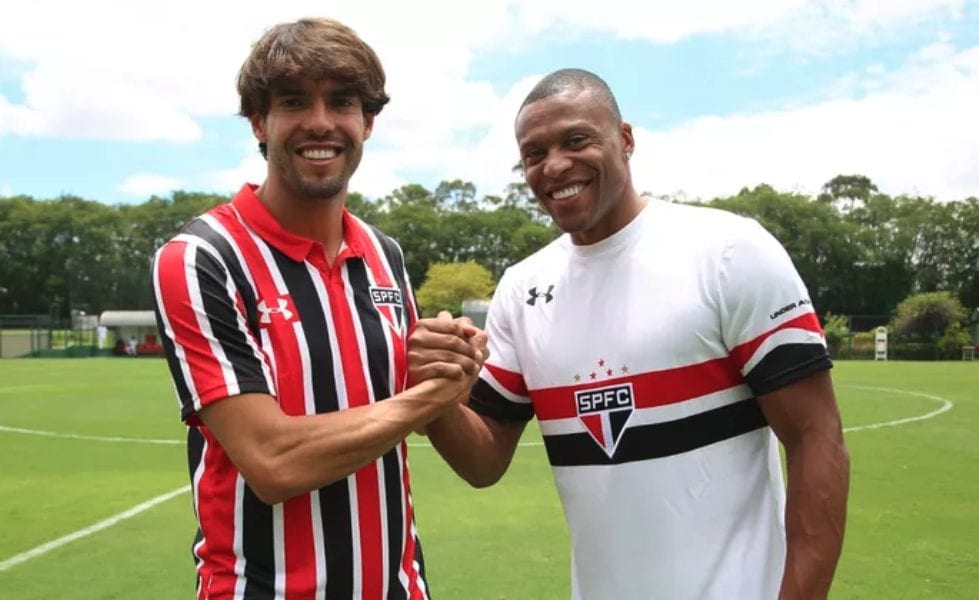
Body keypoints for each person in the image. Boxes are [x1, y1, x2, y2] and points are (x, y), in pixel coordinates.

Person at [411, 69, 850, 599]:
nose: (554, 165)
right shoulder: (522, 290)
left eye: (576, 140)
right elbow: (483, 462)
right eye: (533, 153)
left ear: (624, 139)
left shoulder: (727, 251)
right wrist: (435, 392)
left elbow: (815, 437)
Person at [151, 18, 482, 599]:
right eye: (294, 101)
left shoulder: (386, 255)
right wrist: (429, 395)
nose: (321, 122)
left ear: (368, 121)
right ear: (260, 121)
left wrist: (447, 365)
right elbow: (273, 461)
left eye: (343, 102)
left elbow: (465, 452)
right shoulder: (202, 257)